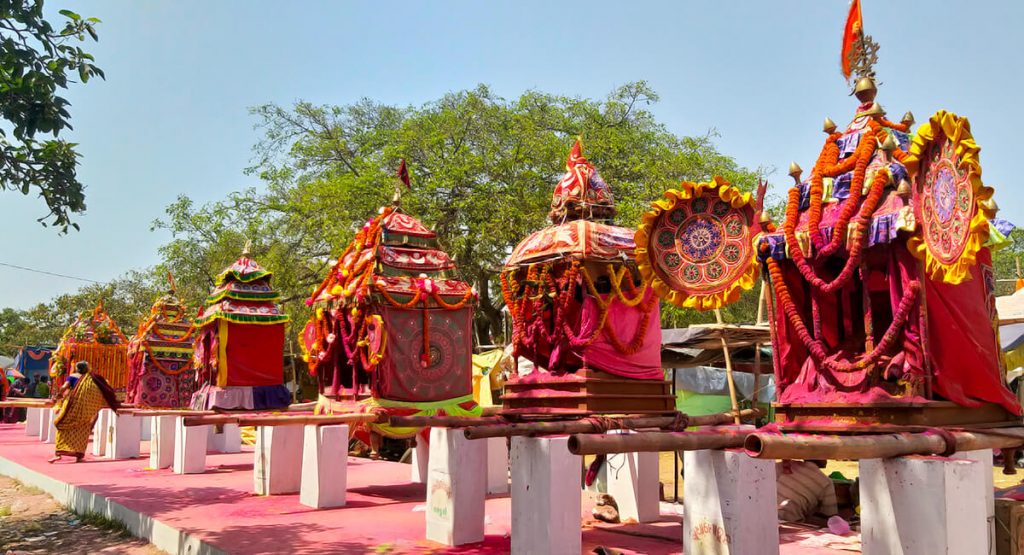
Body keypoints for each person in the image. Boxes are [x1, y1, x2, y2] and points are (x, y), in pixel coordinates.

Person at [48, 361, 119, 463]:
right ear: (87, 369)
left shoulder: (73, 376)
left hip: (72, 408)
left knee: (61, 425)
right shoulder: (93, 380)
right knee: (82, 431)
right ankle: (79, 456)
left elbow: (64, 387)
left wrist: (58, 396)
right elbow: (102, 392)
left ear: (77, 368)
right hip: (85, 412)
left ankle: (58, 454)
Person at [776, 459, 839, 524]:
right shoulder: (826, 482)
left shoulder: (786, 466)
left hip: (768, 515)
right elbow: (831, 518)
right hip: (790, 524)